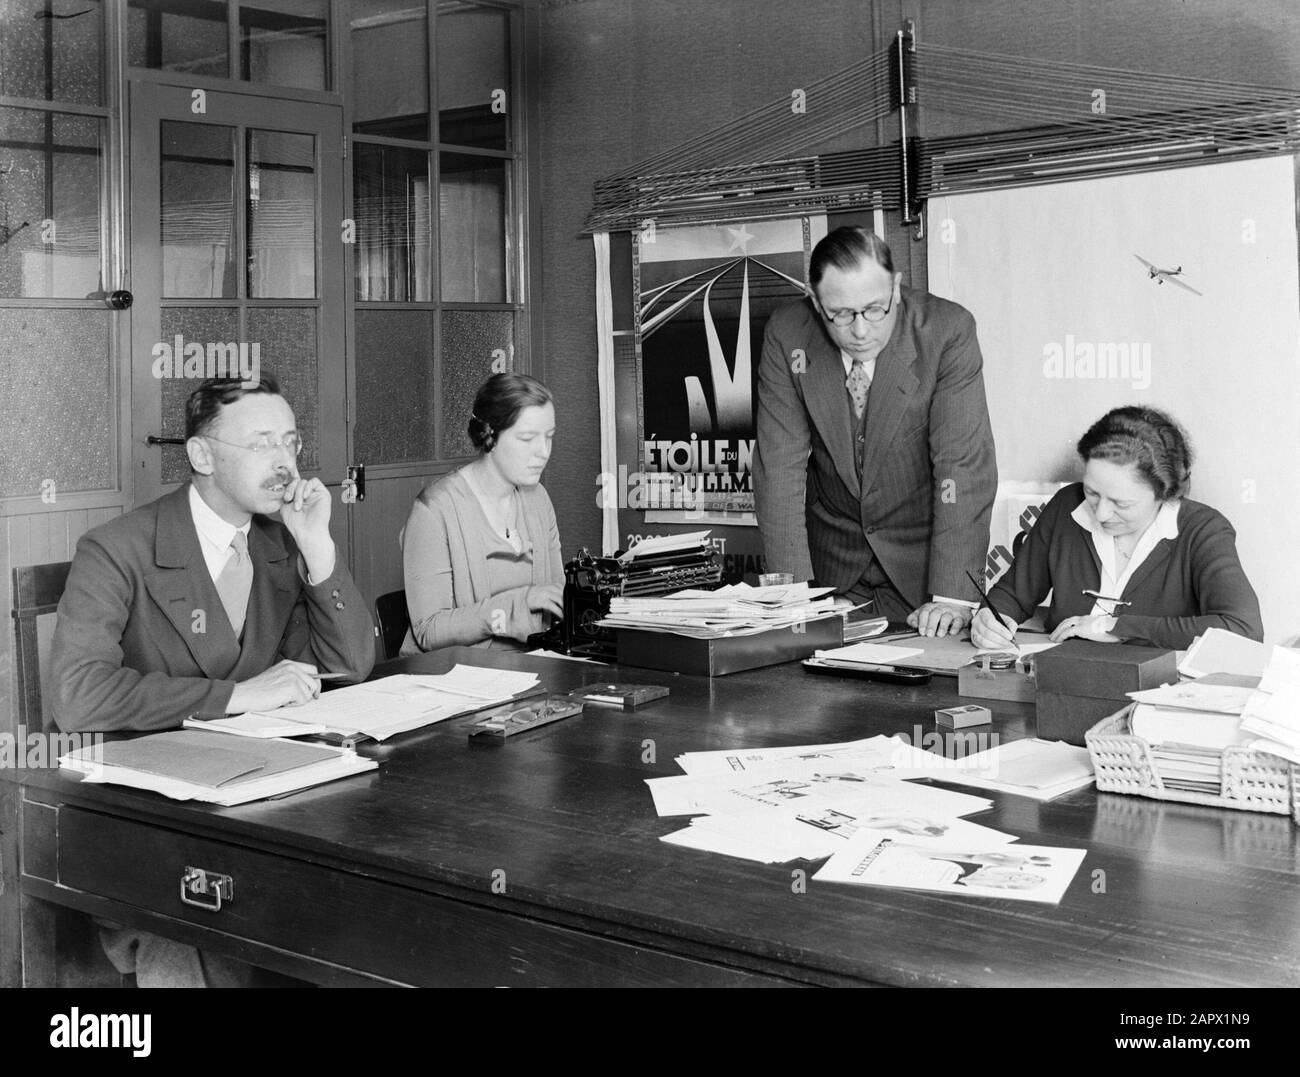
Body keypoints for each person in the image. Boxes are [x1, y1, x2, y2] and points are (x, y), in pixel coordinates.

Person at [50, 374, 375, 985]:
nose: (284, 462)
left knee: (356, 910)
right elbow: (78, 694)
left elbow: (347, 668)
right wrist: (236, 696)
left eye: (291, 442)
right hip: (131, 815)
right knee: (199, 927)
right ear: (201, 455)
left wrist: (319, 549)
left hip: (245, 798)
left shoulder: (279, 545)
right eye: (261, 444)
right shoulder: (118, 548)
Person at [753, 226, 997, 637]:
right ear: (816, 302)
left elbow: (961, 465)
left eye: (874, 309)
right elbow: (779, 469)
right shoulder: (787, 334)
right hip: (829, 576)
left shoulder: (946, 331)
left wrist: (952, 595)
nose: (861, 331)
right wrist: (792, 594)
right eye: (842, 314)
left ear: (896, 288)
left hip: (923, 577)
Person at [971, 406, 1263, 651]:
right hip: (1064, 682)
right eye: (1092, 493)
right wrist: (991, 619)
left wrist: (1115, 627)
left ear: (1164, 494)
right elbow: (1012, 595)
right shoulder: (1065, 507)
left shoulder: (1203, 530)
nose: (1100, 513)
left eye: (1121, 503)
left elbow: (1242, 630)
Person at [401, 372, 562, 653]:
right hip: (455, 677)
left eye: (549, 437)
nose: (543, 451)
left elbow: (556, 595)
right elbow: (429, 630)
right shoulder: (434, 510)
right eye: (527, 439)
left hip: (532, 668)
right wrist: (518, 605)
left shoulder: (538, 499)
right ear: (489, 435)